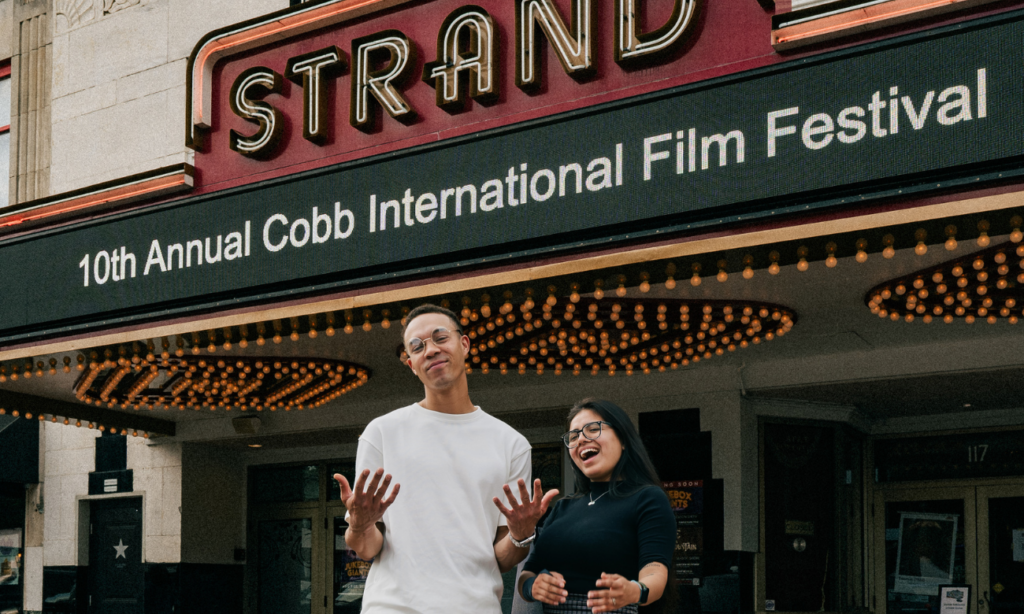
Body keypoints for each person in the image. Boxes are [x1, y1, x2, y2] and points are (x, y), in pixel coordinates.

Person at [333, 303, 559, 614]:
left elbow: (503, 558)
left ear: (464, 344)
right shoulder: (382, 433)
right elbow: (368, 547)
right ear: (412, 364)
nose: (430, 350)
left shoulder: (511, 444)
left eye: (440, 338)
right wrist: (359, 526)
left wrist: (521, 535)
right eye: (417, 346)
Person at [517, 399, 676, 614]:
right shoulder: (562, 507)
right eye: (573, 437)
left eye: (593, 429)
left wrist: (635, 590)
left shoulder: (647, 498)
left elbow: (655, 571)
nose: (581, 439)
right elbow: (528, 573)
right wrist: (532, 587)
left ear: (623, 439)